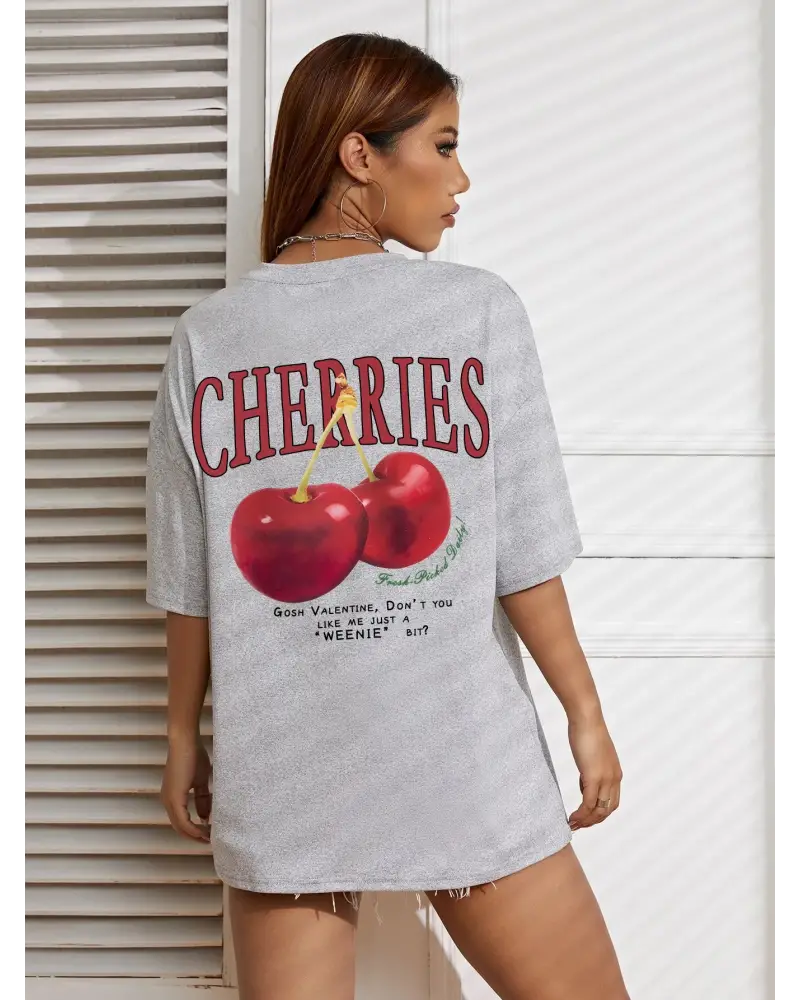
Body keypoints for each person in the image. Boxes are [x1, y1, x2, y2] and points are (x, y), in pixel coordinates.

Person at [145, 31, 630, 1000]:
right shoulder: (476, 311)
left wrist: (182, 737)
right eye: (442, 145)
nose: (461, 178)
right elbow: (523, 549)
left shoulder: (208, 338)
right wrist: (584, 712)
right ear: (359, 154)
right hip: (457, 751)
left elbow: (188, 578)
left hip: (287, 760)